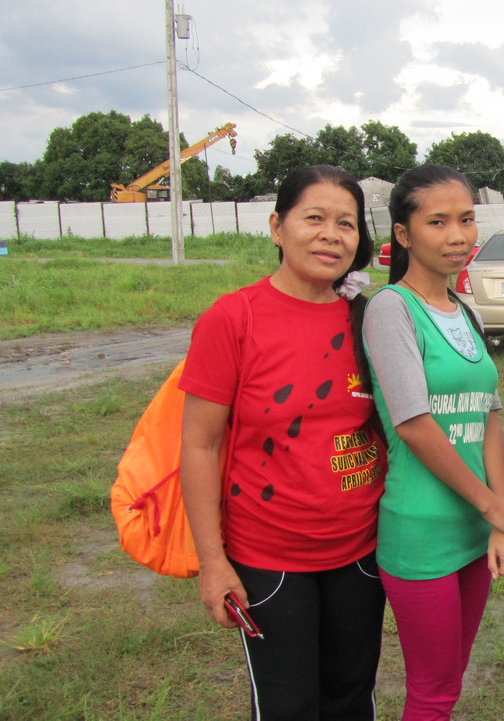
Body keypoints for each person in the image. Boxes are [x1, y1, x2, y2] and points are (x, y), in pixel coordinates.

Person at [179, 165, 386, 720]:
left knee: (351, 698)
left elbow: (407, 421)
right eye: (314, 218)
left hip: (362, 553)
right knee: (286, 707)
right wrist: (212, 561)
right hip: (268, 559)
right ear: (277, 227)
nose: (331, 235)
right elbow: (199, 446)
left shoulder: (371, 319)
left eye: (346, 223)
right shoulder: (234, 318)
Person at [362, 164, 504, 721]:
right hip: (421, 531)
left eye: (466, 219)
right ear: (404, 234)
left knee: (450, 682)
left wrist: (499, 518)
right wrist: (493, 505)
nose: (457, 235)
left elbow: (488, 415)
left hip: (473, 528)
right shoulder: (392, 308)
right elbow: (413, 423)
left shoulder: (468, 312)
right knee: (432, 693)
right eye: (437, 222)